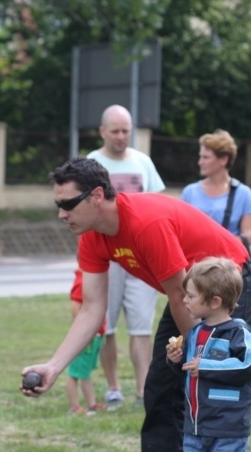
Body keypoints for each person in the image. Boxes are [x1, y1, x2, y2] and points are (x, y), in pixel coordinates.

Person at [20, 156, 251, 452]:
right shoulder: (92, 237)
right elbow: (92, 308)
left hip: (226, 291)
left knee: (213, 397)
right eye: (58, 205)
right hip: (188, 296)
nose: (61, 214)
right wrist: (54, 367)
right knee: (161, 391)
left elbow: (183, 296)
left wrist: (202, 359)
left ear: (96, 196)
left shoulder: (145, 223)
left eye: (67, 204)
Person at [166, 257, 251, 452]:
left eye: (192, 295)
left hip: (227, 427)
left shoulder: (239, 333)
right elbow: (188, 373)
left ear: (215, 301)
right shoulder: (195, 332)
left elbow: (249, 365)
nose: (185, 300)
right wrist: (176, 360)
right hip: (194, 428)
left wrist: (206, 366)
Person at [87, 104, 165, 409]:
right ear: (102, 131)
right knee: (106, 324)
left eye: (126, 131)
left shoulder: (142, 162)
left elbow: (156, 204)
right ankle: (113, 387)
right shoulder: (92, 163)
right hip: (106, 258)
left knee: (142, 326)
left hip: (140, 256)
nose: (121, 137)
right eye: (115, 131)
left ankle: (144, 390)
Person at [181, 129, 251, 244]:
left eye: (206, 157)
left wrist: (217, 245)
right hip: (195, 260)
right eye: (200, 157)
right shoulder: (190, 192)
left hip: (229, 260)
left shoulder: (243, 193)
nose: (200, 162)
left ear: (223, 159)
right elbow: (181, 231)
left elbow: (250, 235)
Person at [65, 268, 108, 415]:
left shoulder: (92, 278)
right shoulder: (83, 280)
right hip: (86, 337)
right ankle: (74, 406)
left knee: (85, 372)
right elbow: (75, 307)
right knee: (74, 372)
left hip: (95, 335)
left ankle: (91, 403)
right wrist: (86, 331)